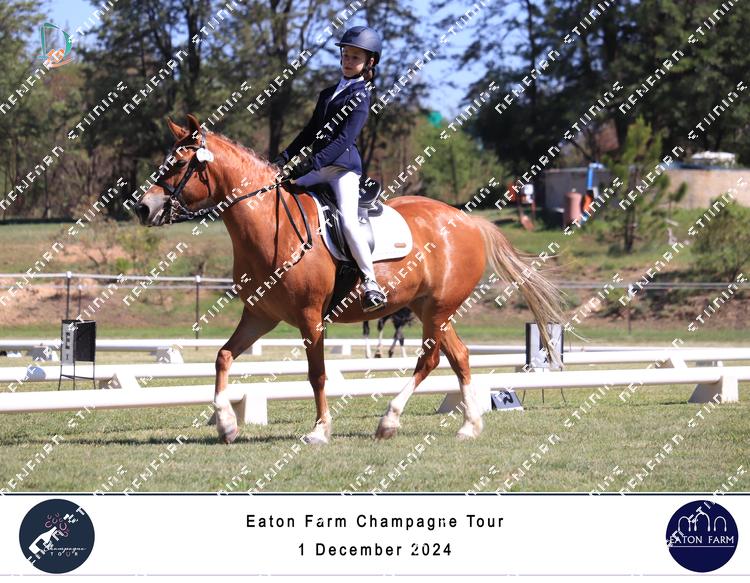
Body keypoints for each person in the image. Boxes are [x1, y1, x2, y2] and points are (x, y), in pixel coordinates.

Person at [273, 26, 387, 313]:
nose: (348, 61)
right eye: (346, 55)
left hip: (342, 170)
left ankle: (371, 283)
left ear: (369, 62)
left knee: (348, 221)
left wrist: (312, 163)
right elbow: (310, 131)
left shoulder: (361, 96)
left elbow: (344, 140)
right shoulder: (327, 94)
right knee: (282, 196)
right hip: (319, 166)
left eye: (355, 57)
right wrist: (284, 157)